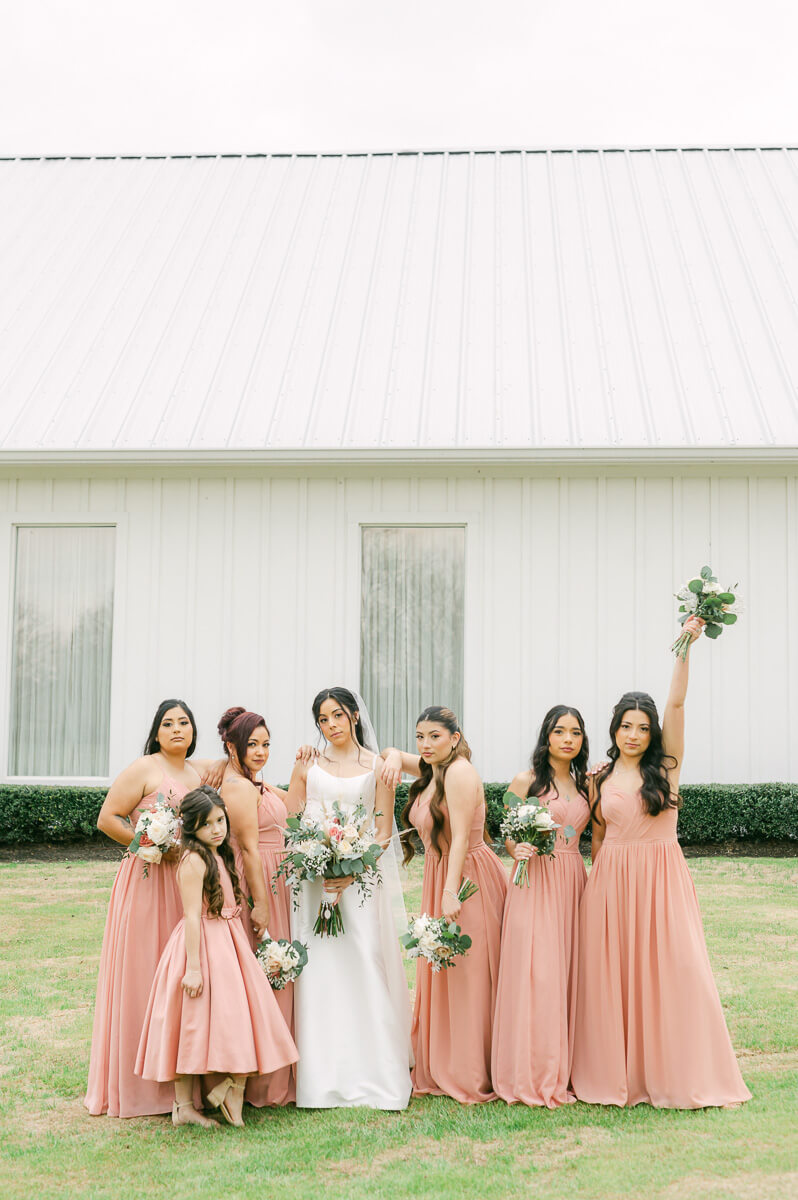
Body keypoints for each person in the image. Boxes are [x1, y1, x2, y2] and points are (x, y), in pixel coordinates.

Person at [571, 617, 752, 1108]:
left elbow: (676, 702)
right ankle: (620, 1072)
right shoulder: (598, 778)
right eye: (626, 726)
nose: (634, 734)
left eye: (642, 728)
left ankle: (679, 1070)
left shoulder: (668, 765)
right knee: (615, 979)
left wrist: (685, 645)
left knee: (677, 971)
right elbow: (598, 837)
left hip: (661, 877)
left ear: (653, 734)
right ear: (614, 729)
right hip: (610, 881)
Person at [135, 786, 298, 1127]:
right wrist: (193, 968)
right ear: (192, 828)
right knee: (191, 1021)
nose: (217, 829)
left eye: (221, 820)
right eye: (207, 824)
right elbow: (192, 915)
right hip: (203, 944)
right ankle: (184, 1107)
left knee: (243, 1016)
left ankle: (231, 1086)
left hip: (229, 939)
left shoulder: (220, 855)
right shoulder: (193, 860)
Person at [286, 687, 412, 1109]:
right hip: (313, 881)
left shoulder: (378, 767)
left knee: (363, 959)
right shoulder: (308, 763)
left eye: (337, 715)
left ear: (355, 716)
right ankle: (320, 1079)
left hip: (360, 882)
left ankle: (376, 1075)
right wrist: (318, 861)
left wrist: (351, 868)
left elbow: (381, 832)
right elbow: (292, 818)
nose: (331, 725)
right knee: (319, 968)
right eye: (323, 719)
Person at [382, 707, 507, 1103]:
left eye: (434, 736)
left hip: (467, 875)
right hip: (442, 874)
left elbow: (456, 840)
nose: (425, 744)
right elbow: (395, 755)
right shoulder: (432, 765)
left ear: (455, 738)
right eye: (419, 736)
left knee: (468, 972)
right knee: (445, 969)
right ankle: (444, 1060)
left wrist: (450, 892)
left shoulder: (459, 772)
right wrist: (389, 755)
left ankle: (471, 1068)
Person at [85, 699, 202, 1117]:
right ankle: (139, 1084)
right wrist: (149, 845)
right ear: (156, 732)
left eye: (183, 723)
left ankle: (182, 1078)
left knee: (181, 973)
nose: (176, 729)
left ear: (192, 730)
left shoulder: (198, 772)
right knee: (145, 970)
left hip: (186, 883)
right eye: (168, 723)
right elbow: (108, 818)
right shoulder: (143, 768)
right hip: (148, 881)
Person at [490, 705, 591, 1106]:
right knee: (537, 973)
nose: (568, 739)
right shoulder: (525, 781)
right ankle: (530, 1070)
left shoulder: (588, 784)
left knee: (566, 971)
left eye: (576, 733)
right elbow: (507, 835)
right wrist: (518, 849)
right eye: (560, 731)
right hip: (533, 879)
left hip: (571, 878)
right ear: (546, 736)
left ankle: (566, 1066)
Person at [217, 705, 297, 1106]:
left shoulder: (255, 783)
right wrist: (260, 905)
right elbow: (247, 848)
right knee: (266, 972)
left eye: (266, 744)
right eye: (252, 744)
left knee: (277, 972)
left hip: (277, 878)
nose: (262, 751)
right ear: (233, 746)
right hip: (259, 883)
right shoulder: (236, 786)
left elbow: (296, 805)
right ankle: (256, 1082)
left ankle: (269, 1073)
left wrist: (304, 765)